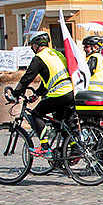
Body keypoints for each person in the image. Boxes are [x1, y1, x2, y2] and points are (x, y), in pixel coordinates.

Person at [13, 31, 75, 159]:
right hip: (71, 92)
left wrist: (16, 92)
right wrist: (37, 94)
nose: (32, 49)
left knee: (37, 114)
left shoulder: (39, 58)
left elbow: (27, 77)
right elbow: (50, 80)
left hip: (60, 94)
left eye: (32, 46)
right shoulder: (57, 54)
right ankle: (75, 148)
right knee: (60, 123)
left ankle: (45, 147)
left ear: (36, 45)